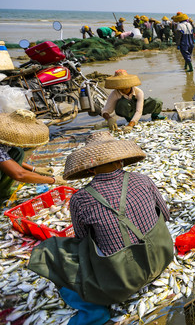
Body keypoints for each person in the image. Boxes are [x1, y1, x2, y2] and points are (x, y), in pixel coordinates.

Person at [28, 132, 173, 325]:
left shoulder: (81, 199)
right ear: (120, 161)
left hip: (122, 281)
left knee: (50, 251)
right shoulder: (144, 179)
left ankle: (95, 313)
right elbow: (165, 215)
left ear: (90, 169)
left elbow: (83, 243)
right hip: (160, 259)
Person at [0, 110, 67, 202]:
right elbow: (20, 174)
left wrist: (34, 169)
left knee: (17, 152)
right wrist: (53, 180)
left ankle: (3, 191)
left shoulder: (4, 137)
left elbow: (6, 159)